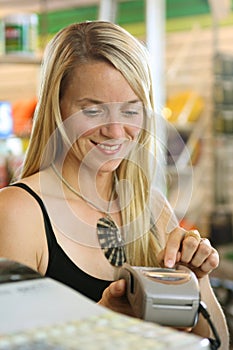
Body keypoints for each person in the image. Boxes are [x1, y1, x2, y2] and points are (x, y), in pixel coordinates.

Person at [0, 20, 229, 348]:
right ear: (57, 109)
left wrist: (195, 280)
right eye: (92, 111)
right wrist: (101, 317)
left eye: (131, 111)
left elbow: (216, 344)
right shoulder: (18, 213)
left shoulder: (152, 208)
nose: (116, 131)